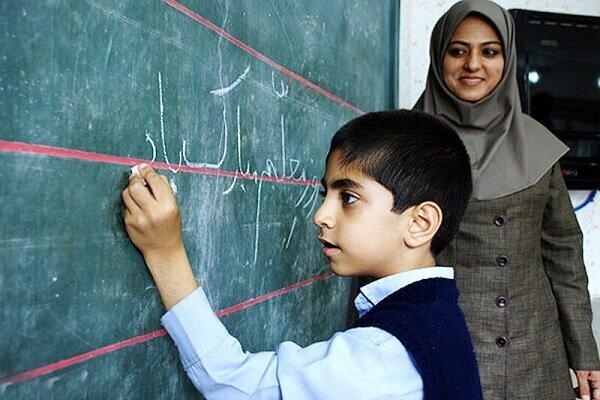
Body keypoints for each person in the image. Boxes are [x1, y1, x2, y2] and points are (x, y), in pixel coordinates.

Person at [121, 109, 483, 399]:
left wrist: (165, 252)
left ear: (419, 223)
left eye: (349, 198)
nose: (321, 215)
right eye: (325, 194)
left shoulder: (378, 356)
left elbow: (233, 383)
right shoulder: (436, 315)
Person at [413, 1, 600, 399]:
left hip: (537, 357)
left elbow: (564, 257)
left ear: (507, 59)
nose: (473, 65)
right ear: (439, 54)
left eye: (490, 51)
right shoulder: (402, 144)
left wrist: (585, 353)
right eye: (458, 50)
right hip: (444, 350)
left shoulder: (538, 146)